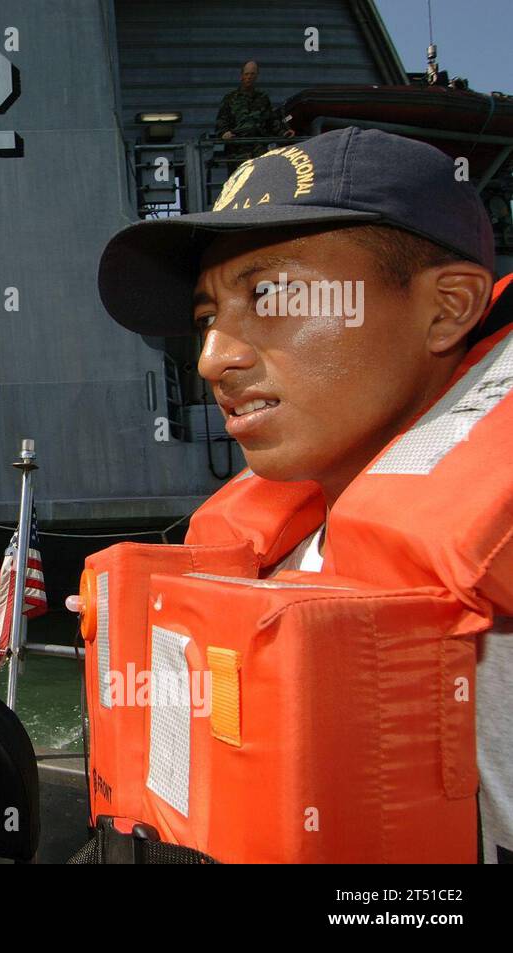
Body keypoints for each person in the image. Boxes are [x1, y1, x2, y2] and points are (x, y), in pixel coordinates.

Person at [94, 126, 509, 862]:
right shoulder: (281, 550)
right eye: (205, 318)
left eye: (271, 293)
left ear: (447, 308)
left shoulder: (487, 635)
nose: (215, 358)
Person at [213, 60, 293, 165]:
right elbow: (221, 121)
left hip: (259, 149)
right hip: (237, 150)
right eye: (246, 74)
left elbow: (271, 120)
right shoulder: (230, 98)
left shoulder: (263, 98)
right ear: (241, 76)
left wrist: (283, 132)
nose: (249, 77)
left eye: (252, 74)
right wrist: (224, 133)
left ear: (256, 76)